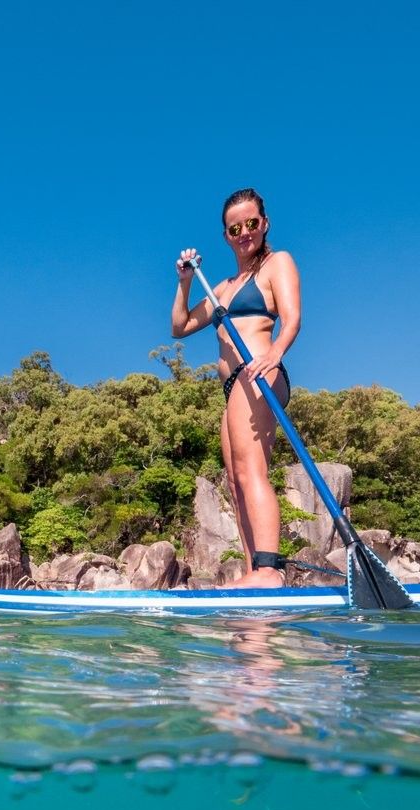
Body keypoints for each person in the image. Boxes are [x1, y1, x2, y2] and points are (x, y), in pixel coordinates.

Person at [171, 188, 301, 587]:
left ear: (265, 224)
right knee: (234, 478)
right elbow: (179, 327)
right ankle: (253, 571)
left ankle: (268, 570)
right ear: (226, 235)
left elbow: (292, 317)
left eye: (252, 224)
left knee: (251, 469)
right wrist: (186, 281)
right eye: (235, 228)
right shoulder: (222, 288)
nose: (245, 232)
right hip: (233, 385)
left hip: (259, 371)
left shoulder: (277, 263)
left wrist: (276, 352)